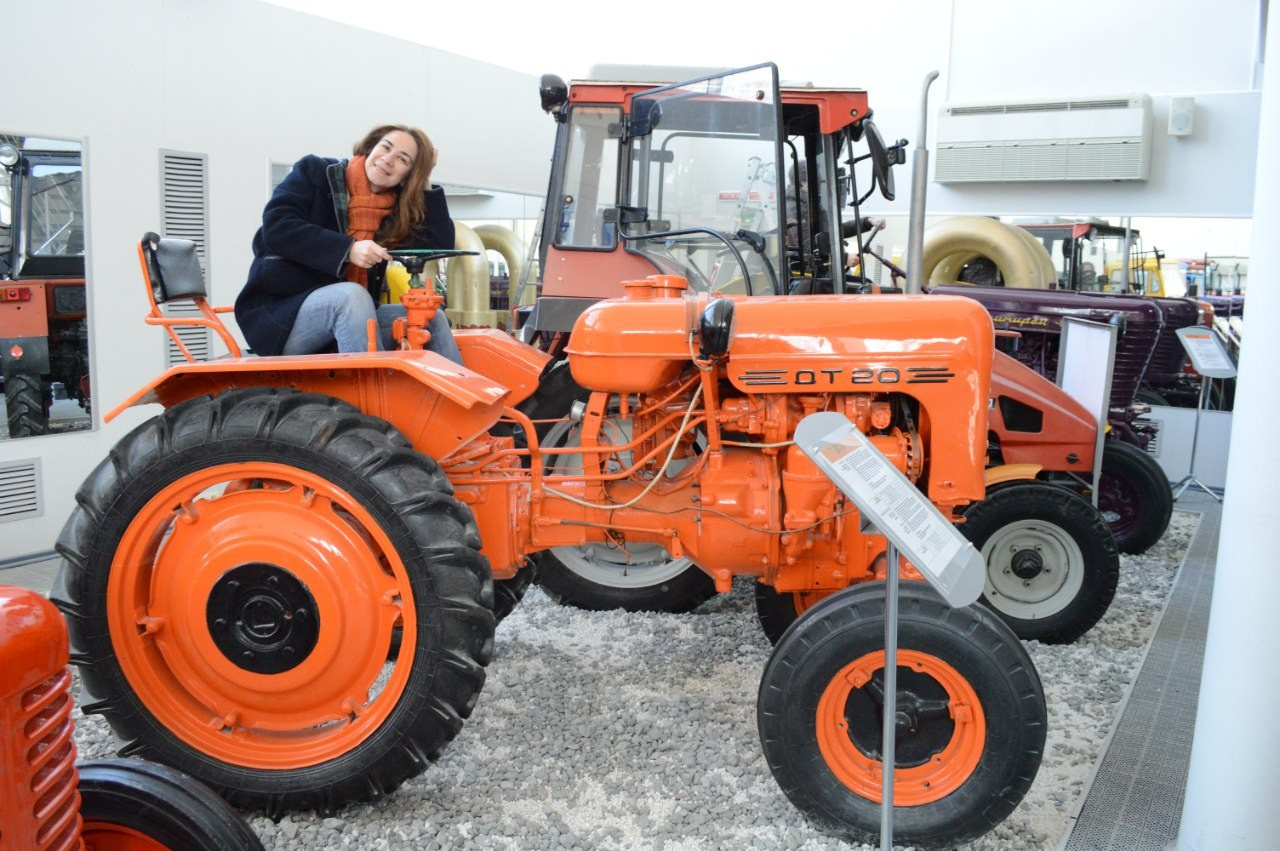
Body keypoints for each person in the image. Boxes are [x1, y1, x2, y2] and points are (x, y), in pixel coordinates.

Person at [234, 123, 463, 362]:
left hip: (352, 316)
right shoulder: (316, 172)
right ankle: (373, 384)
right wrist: (348, 249)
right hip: (281, 316)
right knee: (351, 296)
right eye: (385, 147)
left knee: (431, 316)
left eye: (403, 159)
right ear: (370, 147)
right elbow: (277, 225)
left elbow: (439, 244)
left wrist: (424, 179)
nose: (388, 159)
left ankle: (461, 386)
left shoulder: (392, 212)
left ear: (408, 175)